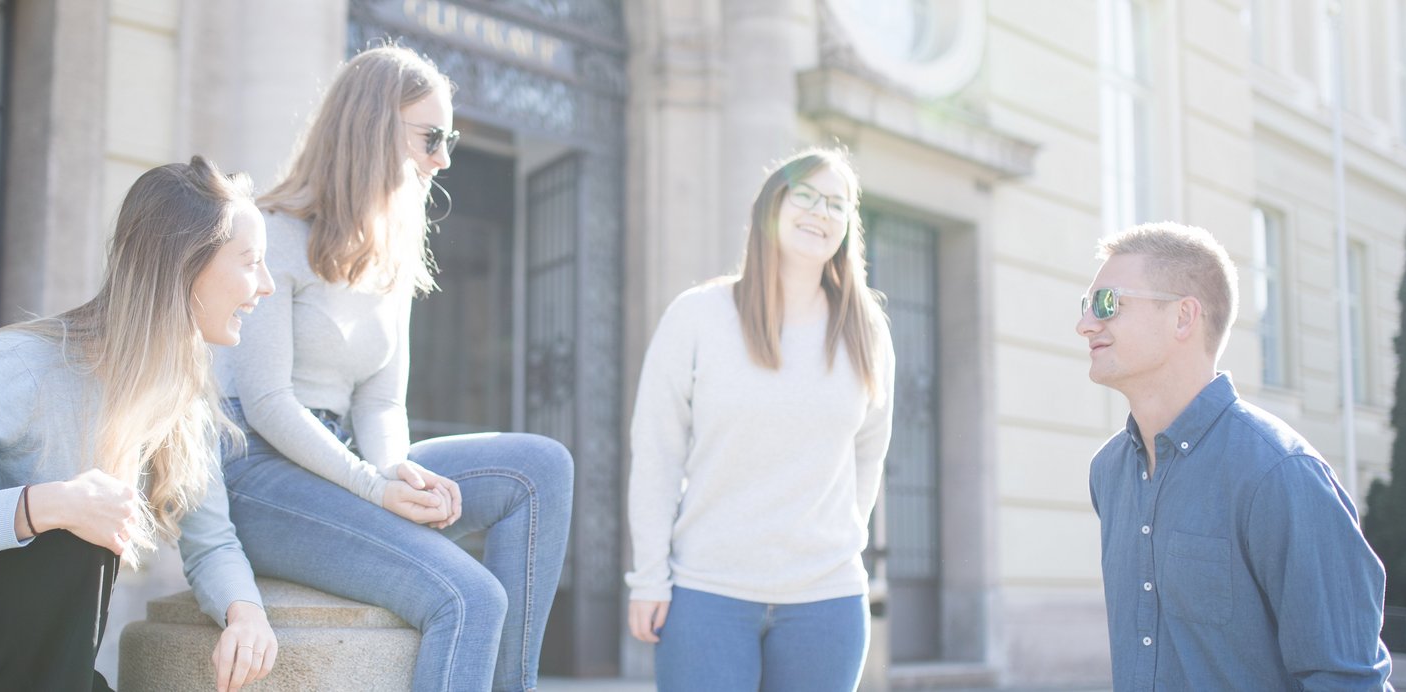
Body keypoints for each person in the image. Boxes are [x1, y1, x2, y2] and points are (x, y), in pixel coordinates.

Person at [0, 156, 278, 691]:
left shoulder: (179, 396)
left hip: (28, 665)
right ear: (186, 266)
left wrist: (245, 614)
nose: (268, 285)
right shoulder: (22, 365)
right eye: (251, 261)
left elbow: (210, 541)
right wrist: (45, 506)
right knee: (72, 527)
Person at [212, 45, 573, 692]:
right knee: (470, 597)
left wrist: (395, 471)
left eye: (451, 137)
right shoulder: (273, 233)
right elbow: (266, 401)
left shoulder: (391, 253)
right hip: (260, 472)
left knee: (541, 467)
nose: (445, 157)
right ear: (372, 127)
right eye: (431, 137)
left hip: (349, 458)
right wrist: (375, 488)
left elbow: (380, 403)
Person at [625, 148, 896, 692]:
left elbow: (869, 454)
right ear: (771, 207)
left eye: (837, 205)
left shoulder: (866, 331)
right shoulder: (698, 316)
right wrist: (648, 578)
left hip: (827, 601)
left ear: (848, 227)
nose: (821, 212)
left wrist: (838, 539)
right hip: (707, 595)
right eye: (806, 196)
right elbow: (657, 454)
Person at [1078, 222, 1393, 690]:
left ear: (1184, 317)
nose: (1085, 324)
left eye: (1107, 303)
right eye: (1086, 306)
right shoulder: (1109, 472)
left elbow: (1347, 682)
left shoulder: (1281, 473)